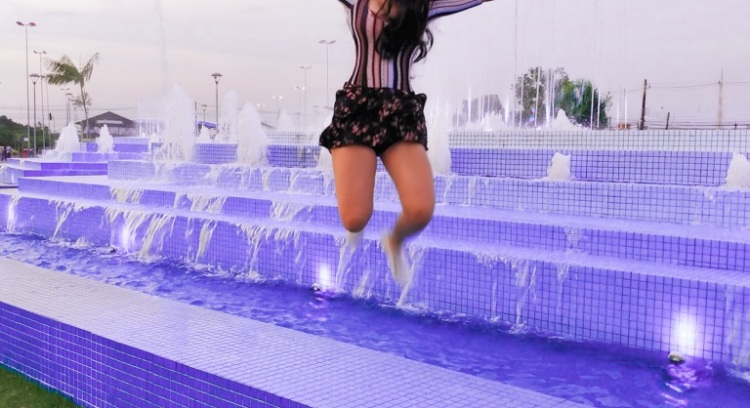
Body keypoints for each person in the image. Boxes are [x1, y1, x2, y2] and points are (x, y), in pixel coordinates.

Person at [320, 0, 493, 286]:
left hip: (399, 112)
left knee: (420, 209)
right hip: (357, 109)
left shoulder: (423, 5)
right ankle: (356, 219)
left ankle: (395, 240)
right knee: (354, 219)